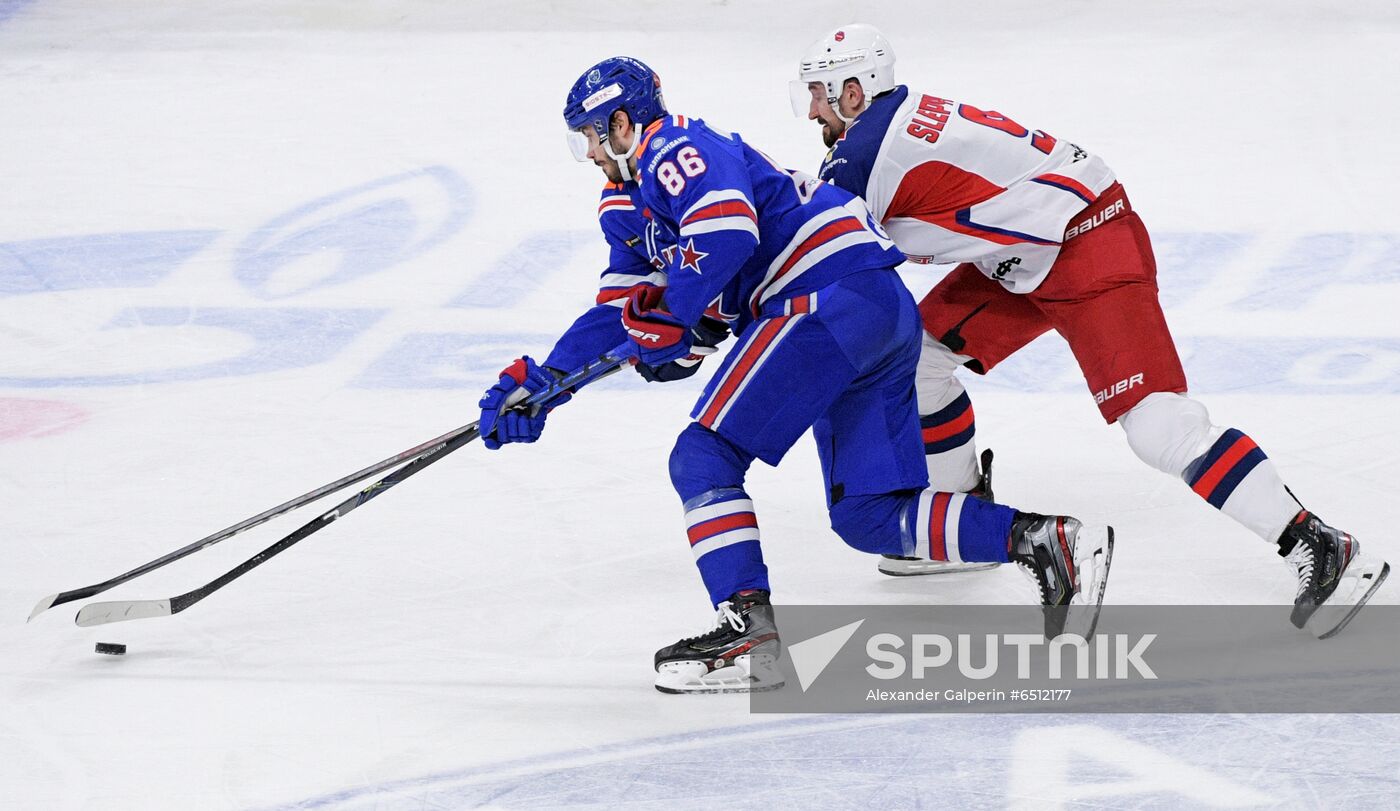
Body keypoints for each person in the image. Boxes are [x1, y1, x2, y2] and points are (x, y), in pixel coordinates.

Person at [476, 56, 1115, 694]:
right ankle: (1043, 541)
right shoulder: (628, 204)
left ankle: (749, 637)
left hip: (819, 298)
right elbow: (619, 313)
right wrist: (546, 383)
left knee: (703, 457)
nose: (588, 152)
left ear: (620, 124)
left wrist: (676, 315)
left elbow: (725, 234)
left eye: (589, 135)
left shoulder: (676, 147)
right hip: (871, 307)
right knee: (867, 513)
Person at [790, 24, 1388, 638]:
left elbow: (810, 253)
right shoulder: (886, 126)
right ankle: (964, 515)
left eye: (818, 93)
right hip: (1031, 248)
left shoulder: (865, 152)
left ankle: (1321, 546)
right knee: (919, 361)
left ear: (855, 90)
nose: (811, 109)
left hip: (1088, 244)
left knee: (1160, 427)